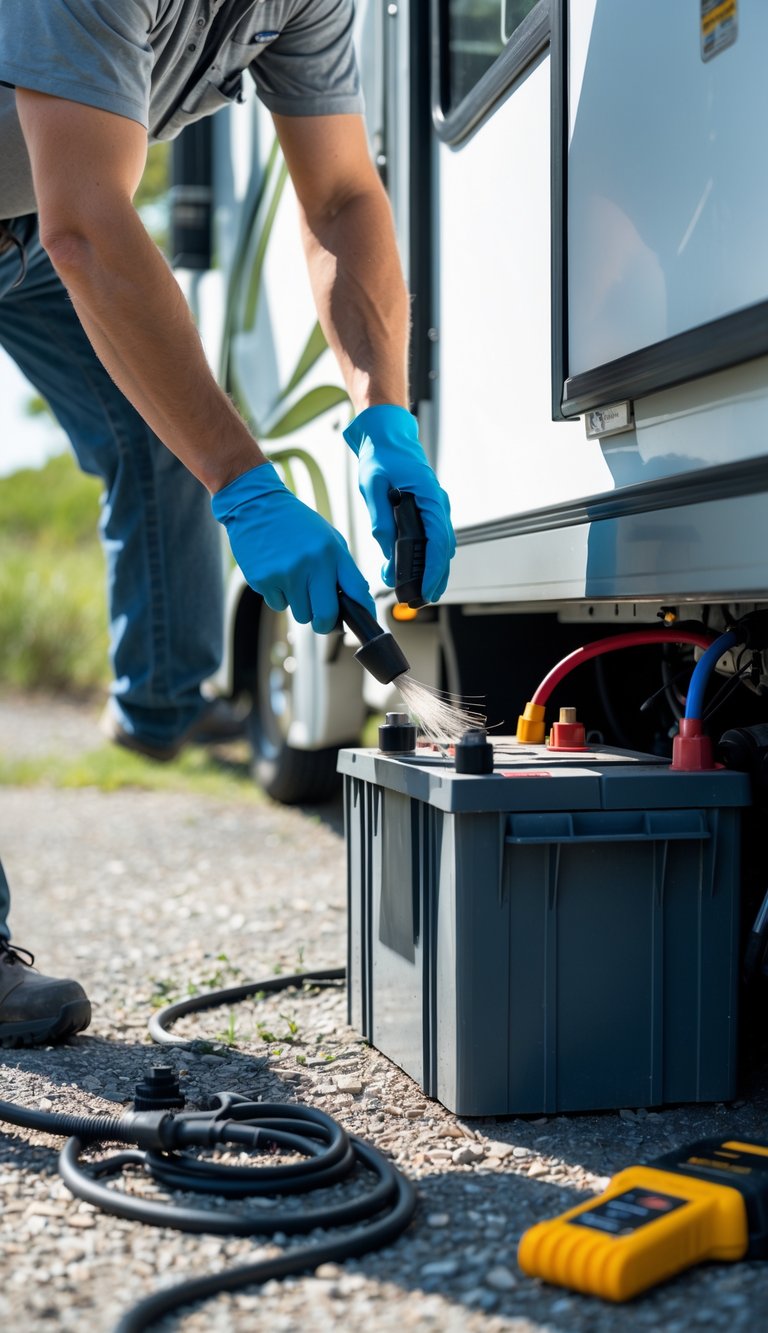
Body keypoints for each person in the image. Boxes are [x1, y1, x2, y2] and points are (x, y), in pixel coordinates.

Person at [0, 0, 455, 1045]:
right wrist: (248, 485)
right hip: (52, 214)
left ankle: (155, 710)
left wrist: (386, 414)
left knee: (170, 427)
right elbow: (90, 222)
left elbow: (340, 195)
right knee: (210, 449)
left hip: (23, 226)